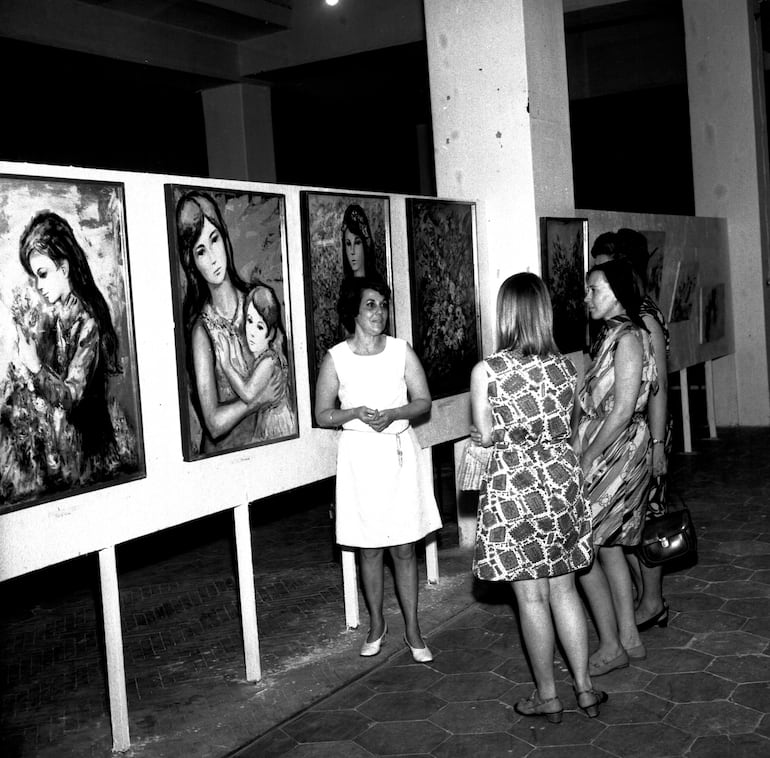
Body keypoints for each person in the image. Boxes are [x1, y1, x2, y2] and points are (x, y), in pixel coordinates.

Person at [471, 272, 604, 723]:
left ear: (506, 313)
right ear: (544, 312)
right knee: (565, 588)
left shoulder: (487, 371)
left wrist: (486, 434)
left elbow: (486, 434)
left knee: (530, 599)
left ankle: (548, 695)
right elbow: (569, 426)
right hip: (560, 481)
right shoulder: (567, 367)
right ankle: (585, 688)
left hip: (516, 488)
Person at [314, 277, 442, 662]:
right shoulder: (336, 357)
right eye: (371, 305)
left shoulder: (401, 351)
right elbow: (322, 414)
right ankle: (375, 624)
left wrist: (394, 414)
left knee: (404, 547)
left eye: (383, 305)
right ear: (353, 310)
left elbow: (422, 402)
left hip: (398, 453)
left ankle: (414, 631)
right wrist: (353, 412)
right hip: (359, 459)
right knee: (369, 549)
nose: (379, 312)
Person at [576, 258, 657, 676]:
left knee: (586, 547)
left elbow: (623, 410)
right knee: (608, 547)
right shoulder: (612, 335)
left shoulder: (627, 338)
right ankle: (628, 637)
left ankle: (613, 645)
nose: (588, 297)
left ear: (618, 292)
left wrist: (586, 457)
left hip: (616, 450)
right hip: (613, 446)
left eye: (595, 289)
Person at [9, 211, 123, 488]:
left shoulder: (89, 322)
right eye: (35, 277)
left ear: (64, 267)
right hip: (68, 448)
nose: (39, 285)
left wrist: (36, 368)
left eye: (43, 274)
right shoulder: (61, 313)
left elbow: (70, 395)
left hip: (91, 454)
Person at [175, 191, 279, 455]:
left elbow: (281, 378)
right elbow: (214, 424)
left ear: (224, 237)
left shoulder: (259, 301)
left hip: (269, 449)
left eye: (214, 239)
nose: (212, 257)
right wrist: (256, 401)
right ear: (192, 263)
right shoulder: (203, 332)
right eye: (201, 250)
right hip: (224, 462)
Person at [614, 228, 671, 630]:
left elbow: (658, 385)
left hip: (648, 431)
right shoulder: (636, 310)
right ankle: (647, 598)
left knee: (646, 521)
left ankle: (653, 602)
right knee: (632, 521)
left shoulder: (645, 314)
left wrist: (656, 443)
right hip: (640, 430)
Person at [214, 283, 297, 442]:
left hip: (275, 426)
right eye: (249, 321)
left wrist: (226, 366)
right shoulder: (266, 356)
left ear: (271, 333)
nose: (251, 331)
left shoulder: (269, 360)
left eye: (259, 327)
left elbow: (248, 394)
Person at [341, 204, 378, 281]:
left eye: (357, 243)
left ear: (365, 244)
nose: (352, 251)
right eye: (348, 244)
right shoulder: (345, 289)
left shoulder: (374, 290)